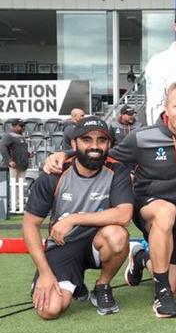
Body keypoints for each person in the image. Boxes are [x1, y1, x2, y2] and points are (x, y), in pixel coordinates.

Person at [44, 81, 176, 318]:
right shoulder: (141, 138)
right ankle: (161, 292)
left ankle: (140, 256)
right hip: (151, 208)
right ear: (165, 107)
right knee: (164, 212)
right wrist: (66, 154)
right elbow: (103, 156)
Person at [23, 116, 133, 319]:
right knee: (49, 310)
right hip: (63, 245)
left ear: (109, 144)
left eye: (101, 140)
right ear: (74, 144)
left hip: (97, 243)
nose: (95, 146)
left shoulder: (117, 170)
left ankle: (102, 286)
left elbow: (124, 214)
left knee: (117, 235)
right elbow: (30, 225)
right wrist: (45, 273)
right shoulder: (54, 173)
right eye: (87, 140)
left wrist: (73, 218)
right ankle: (76, 285)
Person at [0, 119, 30, 206]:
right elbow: (2, 147)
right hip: (14, 165)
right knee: (14, 185)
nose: (23, 128)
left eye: (23, 126)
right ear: (14, 126)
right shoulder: (9, 135)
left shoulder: (21, 136)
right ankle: (13, 204)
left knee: (20, 186)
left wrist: (28, 154)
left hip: (23, 164)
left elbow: (20, 149)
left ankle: (19, 204)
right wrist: (9, 160)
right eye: (21, 126)